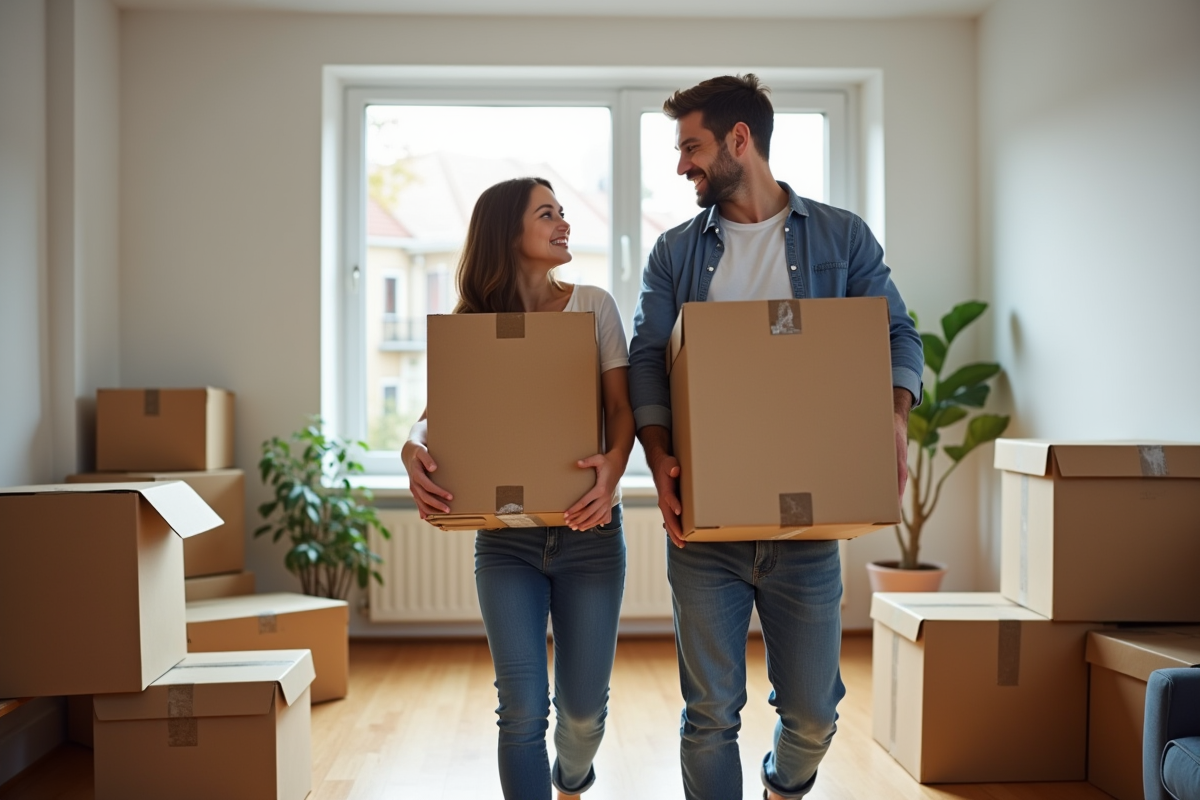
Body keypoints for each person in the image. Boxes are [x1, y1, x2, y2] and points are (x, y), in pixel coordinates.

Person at [628, 75, 924, 800]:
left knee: (815, 717)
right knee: (708, 716)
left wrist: (892, 413)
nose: (681, 166)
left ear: (739, 140)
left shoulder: (841, 236)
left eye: (691, 147)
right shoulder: (675, 253)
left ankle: (781, 786)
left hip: (806, 524)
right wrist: (658, 453)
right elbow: (647, 356)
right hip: (707, 524)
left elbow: (895, 330)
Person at [402, 177, 634, 800]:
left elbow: (621, 408)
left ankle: (573, 777)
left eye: (562, 213)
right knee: (523, 709)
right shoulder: (475, 323)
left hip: (590, 536)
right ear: (508, 233)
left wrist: (612, 469)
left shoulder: (593, 304)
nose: (564, 223)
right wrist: (412, 442)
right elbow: (437, 414)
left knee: (583, 713)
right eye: (547, 214)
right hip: (506, 543)